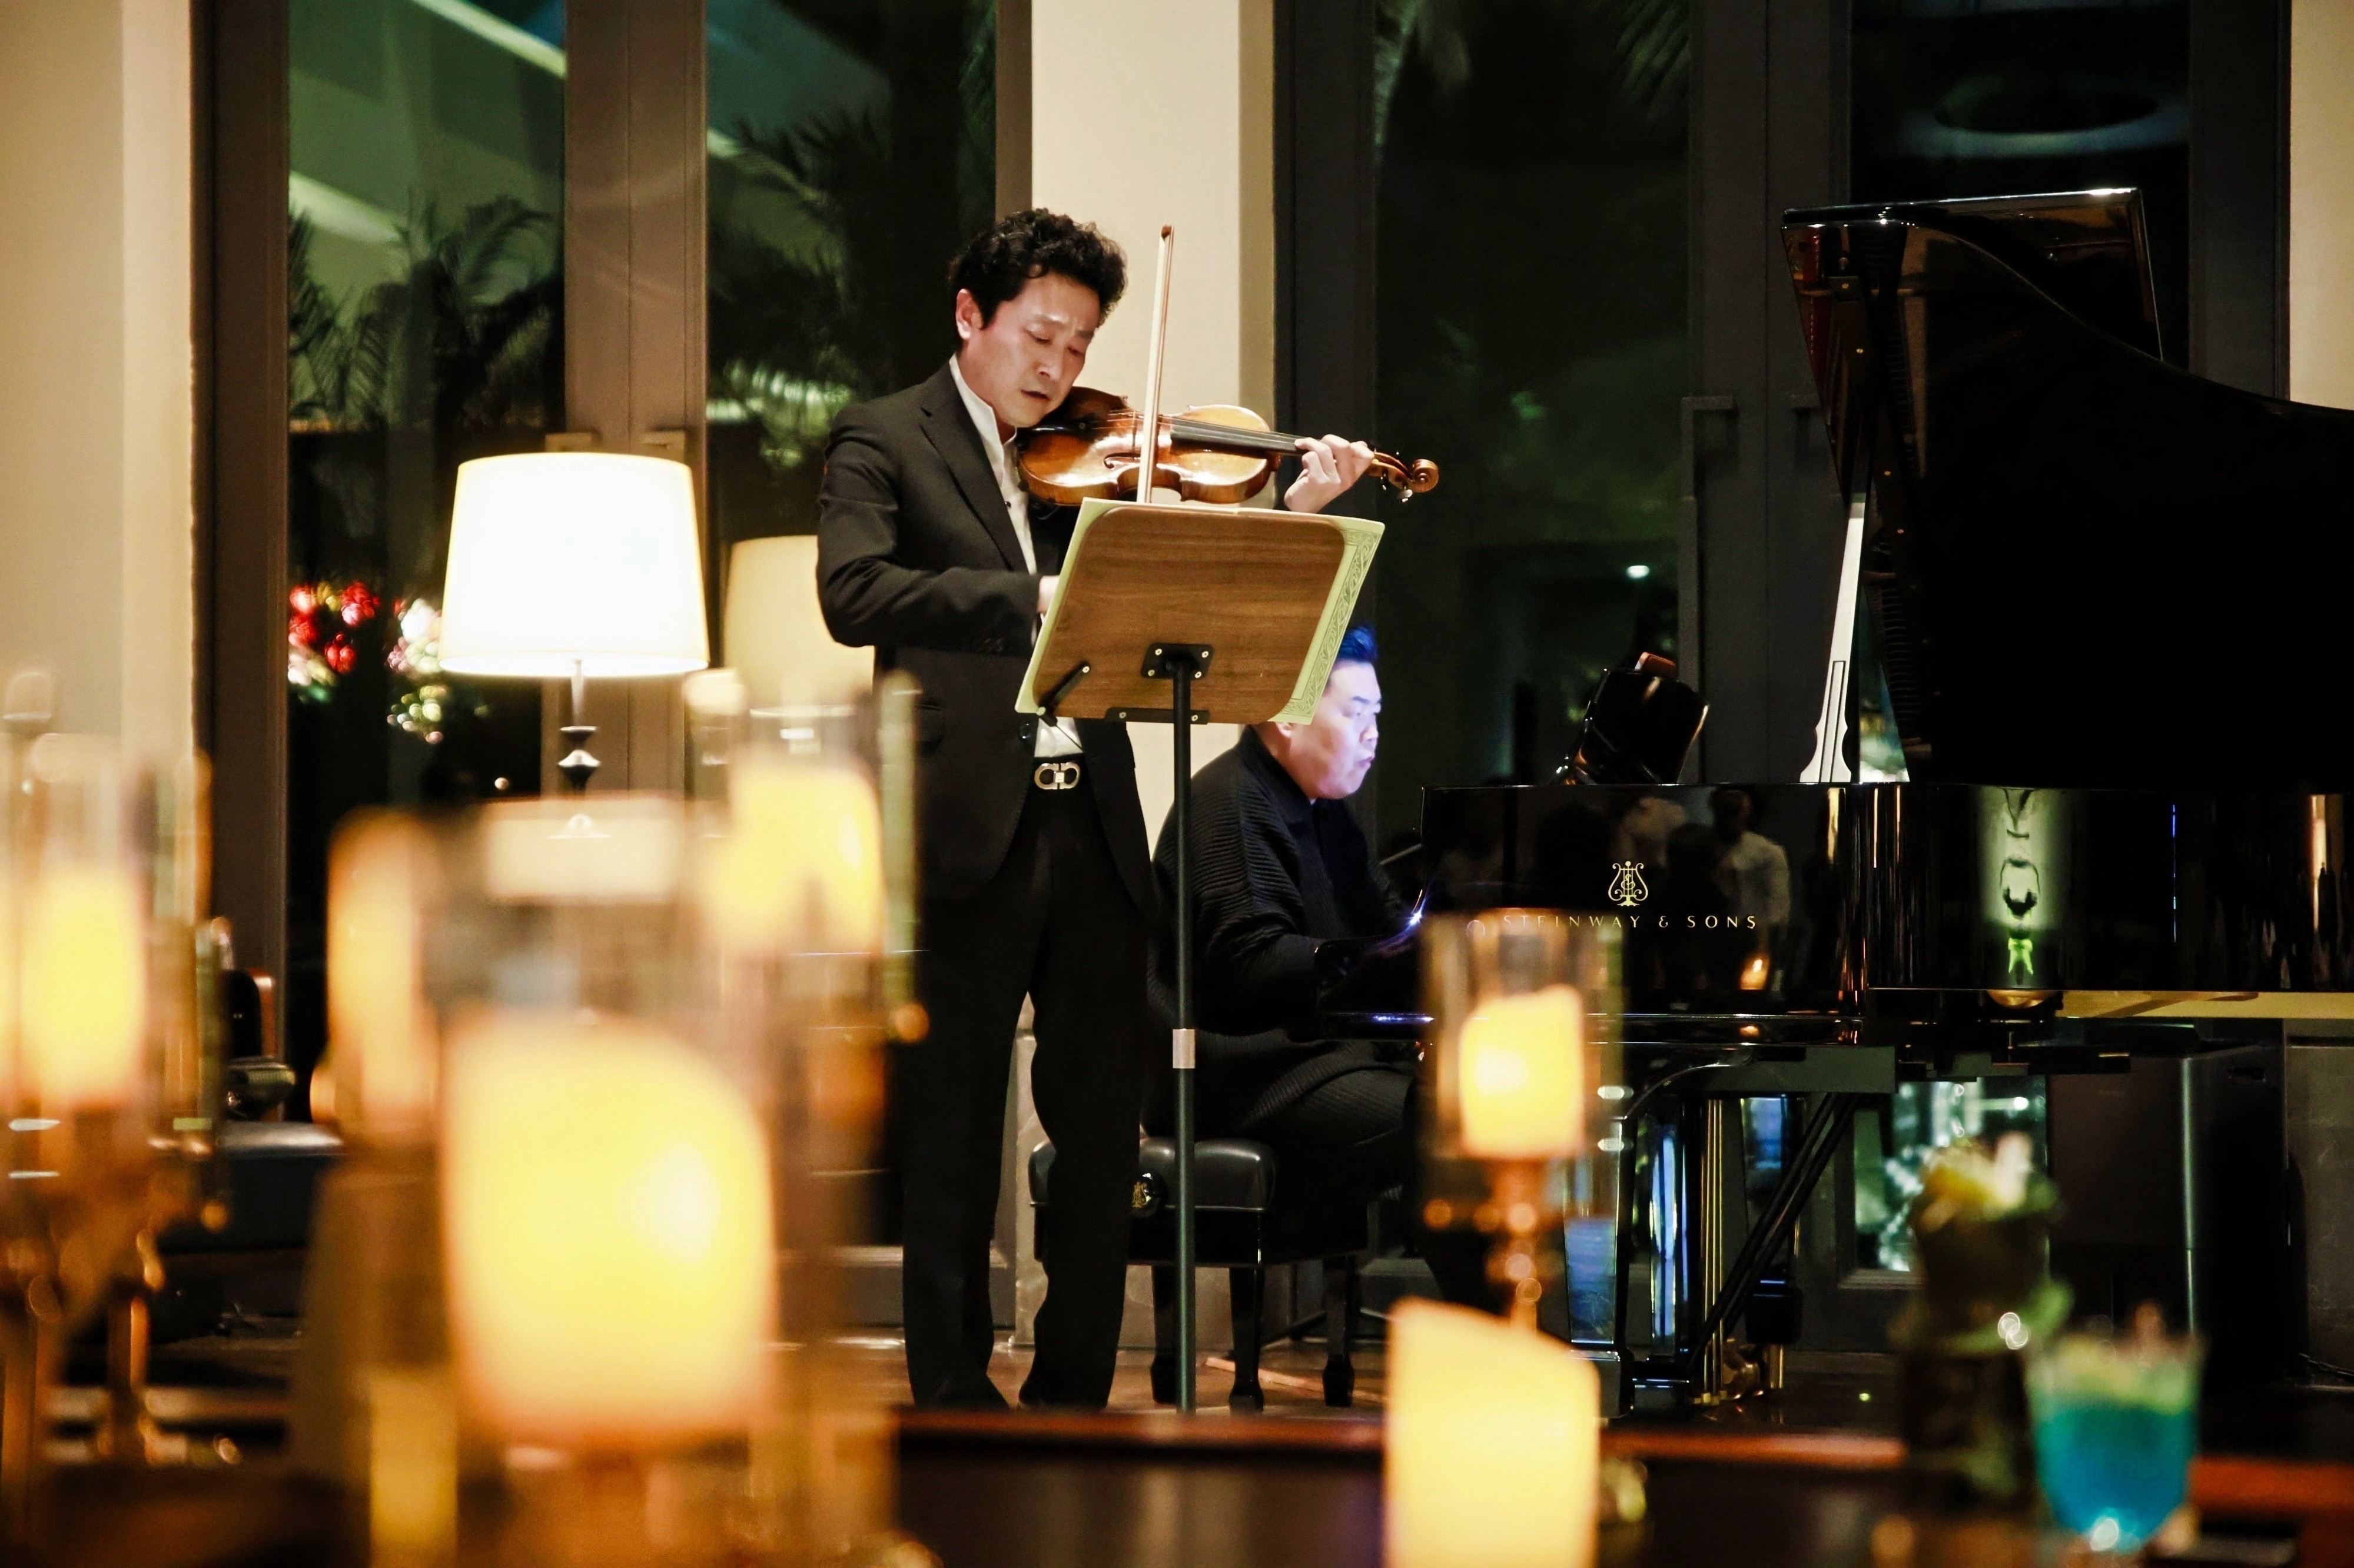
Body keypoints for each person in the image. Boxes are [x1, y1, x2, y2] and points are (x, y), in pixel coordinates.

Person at [816, 208, 1375, 1408]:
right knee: (952, 1128)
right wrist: (1029, 595)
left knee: (1098, 1129)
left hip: (1094, 831)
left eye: (1078, 346)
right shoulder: (884, 436)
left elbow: (1188, 580)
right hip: (963, 830)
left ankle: (1071, 1392)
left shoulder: (1088, 460)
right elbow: (854, 590)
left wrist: (1294, 510)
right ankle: (952, 1395)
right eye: (1039, 337)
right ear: (970, 315)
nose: (1058, 368)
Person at [1150, 627, 1492, 1309]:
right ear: (1287, 716)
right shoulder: (1231, 802)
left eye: (1377, 715)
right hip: (1242, 1077)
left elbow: (1387, 922)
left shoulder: (1323, 809)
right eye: (1356, 713)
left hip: (1312, 1064)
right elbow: (1254, 966)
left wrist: (1458, 949)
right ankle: (1502, 1339)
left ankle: (1507, 1333)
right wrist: (1382, 963)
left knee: (1486, 1106)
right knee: (1449, 1123)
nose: (1373, 735)